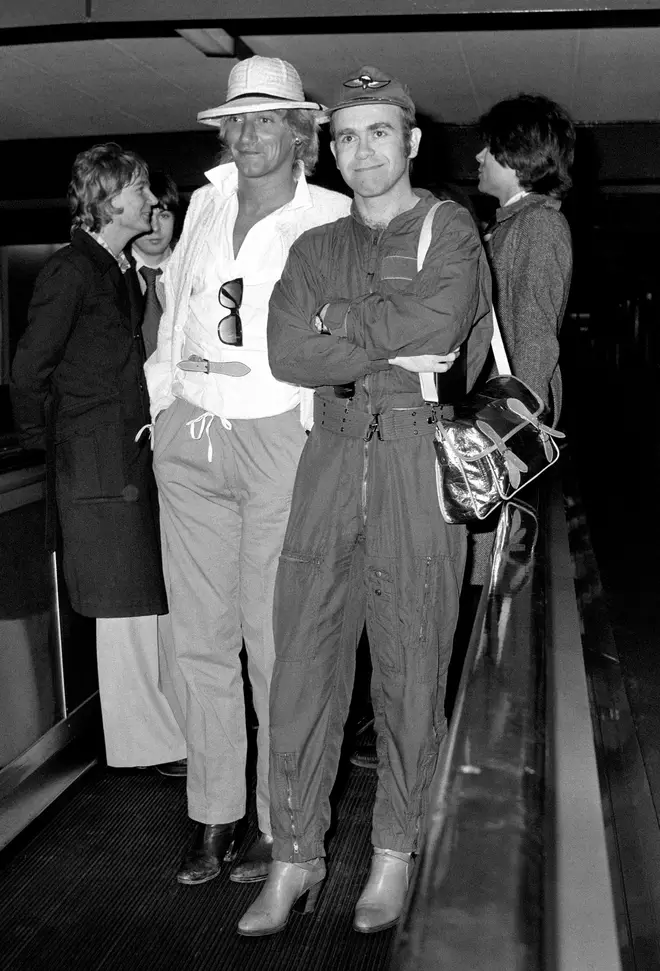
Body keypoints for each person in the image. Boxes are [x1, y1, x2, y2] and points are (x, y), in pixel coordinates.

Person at [238, 65, 492, 938]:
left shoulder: (450, 229)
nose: (360, 150)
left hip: (415, 461)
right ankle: (295, 855)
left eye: (378, 132)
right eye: (345, 136)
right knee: (302, 666)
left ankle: (393, 852)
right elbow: (284, 354)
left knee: (412, 661)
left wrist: (338, 326)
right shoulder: (313, 248)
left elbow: (441, 326)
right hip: (329, 459)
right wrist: (379, 327)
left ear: (412, 142)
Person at [144, 56, 350, 888]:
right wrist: (162, 401)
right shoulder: (204, 199)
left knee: (279, 643)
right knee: (199, 640)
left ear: (299, 130)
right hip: (190, 429)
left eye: (269, 119)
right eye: (240, 119)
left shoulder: (331, 213)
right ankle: (213, 815)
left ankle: (280, 821)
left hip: (277, 431)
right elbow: (175, 300)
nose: (251, 133)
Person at [10, 143, 186, 774]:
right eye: (140, 189)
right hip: (97, 471)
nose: (151, 200)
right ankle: (148, 749)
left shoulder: (107, 272)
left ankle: (165, 739)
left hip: (120, 466)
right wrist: (49, 446)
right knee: (123, 611)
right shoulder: (72, 272)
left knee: (139, 605)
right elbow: (30, 370)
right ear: (111, 200)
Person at [475, 93, 575, 420]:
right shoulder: (511, 224)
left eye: (489, 147)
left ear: (516, 154)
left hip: (509, 408)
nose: (479, 156)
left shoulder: (540, 222)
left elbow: (536, 334)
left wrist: (515, 419)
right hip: (495, 401)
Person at [132, 171, 180, 359]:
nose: (155, 228)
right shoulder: (105, 274)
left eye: (164, 215)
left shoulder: (197, 269)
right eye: (146, 215)